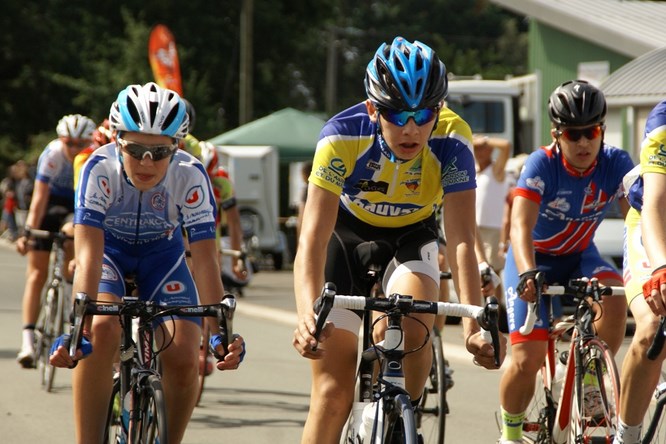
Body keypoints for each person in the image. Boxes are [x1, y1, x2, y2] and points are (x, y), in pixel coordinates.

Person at [292, 36, 506, 444]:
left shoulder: (453, 139)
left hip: (412, 235)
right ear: (373, 109)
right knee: (332, 394)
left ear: (438, 109)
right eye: (396, 114)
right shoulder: (340, 136)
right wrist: (307, 315)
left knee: (413, 326)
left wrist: (473, 326)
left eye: (423, 114)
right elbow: (312, 240)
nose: (411, 128)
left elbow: (462, 237)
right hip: (346, 236)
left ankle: (399, 418)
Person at [48, 82, 246, 444]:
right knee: (102, 331)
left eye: (160, 151)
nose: (147, 162)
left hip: (163, 258)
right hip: (109, 254)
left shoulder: (191, 174)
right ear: (117, 140)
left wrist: (220, 330)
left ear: (177, 147)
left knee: (185, 355)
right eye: (135, 149)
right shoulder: (98, 168)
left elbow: (205, 259)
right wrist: (79, 328)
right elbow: (88, 254)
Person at [497, 80, 634, 444]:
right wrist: (527, 272)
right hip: (533, 258)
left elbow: (637, 220)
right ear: (556, 134)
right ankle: (511, 434)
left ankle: (590, 380)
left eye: (592, 132)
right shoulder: (542, 163)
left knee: (615, 297)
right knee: (526, 359)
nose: (584, 142)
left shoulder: (616, 163)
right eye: (574, 134)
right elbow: (519, 226)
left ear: (602, 130)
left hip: (579, 256)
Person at [15, 114, 96, 368]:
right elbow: (39, 198)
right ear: (61, 140)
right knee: (36, 273)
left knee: (72, 233)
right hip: (51, 204)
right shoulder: (52, 154)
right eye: (69, 143)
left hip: (76, 207)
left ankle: (70, 283)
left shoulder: (92, 156)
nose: (74, 149)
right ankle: (28, 341)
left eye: (80, 143)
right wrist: (28, 232)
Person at [613, 100, 666, 443]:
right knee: (652, 327)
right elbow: (655, 205)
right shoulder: (663, 119)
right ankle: (627, 436)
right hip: (655, 223)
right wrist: (662, 267)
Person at [473, 135, 512, 306]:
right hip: (475, 229)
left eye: (483, 148)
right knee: (478, 271)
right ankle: (483, 310)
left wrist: (484, 140)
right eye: (476, 149)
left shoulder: (496, 170)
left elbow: (506, 145)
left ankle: (496, 311)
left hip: (493, 229)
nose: (479, 152)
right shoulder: (474, 170)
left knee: (492, 273)